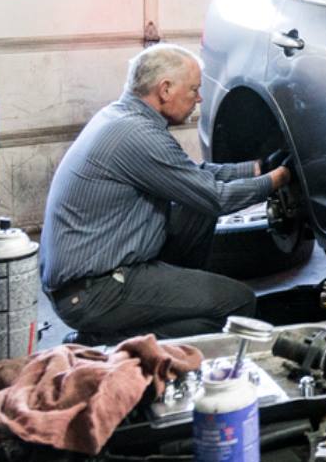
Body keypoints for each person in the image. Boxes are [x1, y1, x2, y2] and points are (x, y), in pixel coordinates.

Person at [40, 43, 291, 341]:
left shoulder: (123, 117)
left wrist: (257, 169)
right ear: (166, 89)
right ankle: (102, 343)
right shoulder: (138, 135)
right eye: (194, 89)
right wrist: (279, 179)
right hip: (93, 292)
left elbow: (192, 177)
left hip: (96, 276)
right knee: (238, 302)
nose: (199, 98)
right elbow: (217, 197)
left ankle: (171, 302)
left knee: (194, 205)